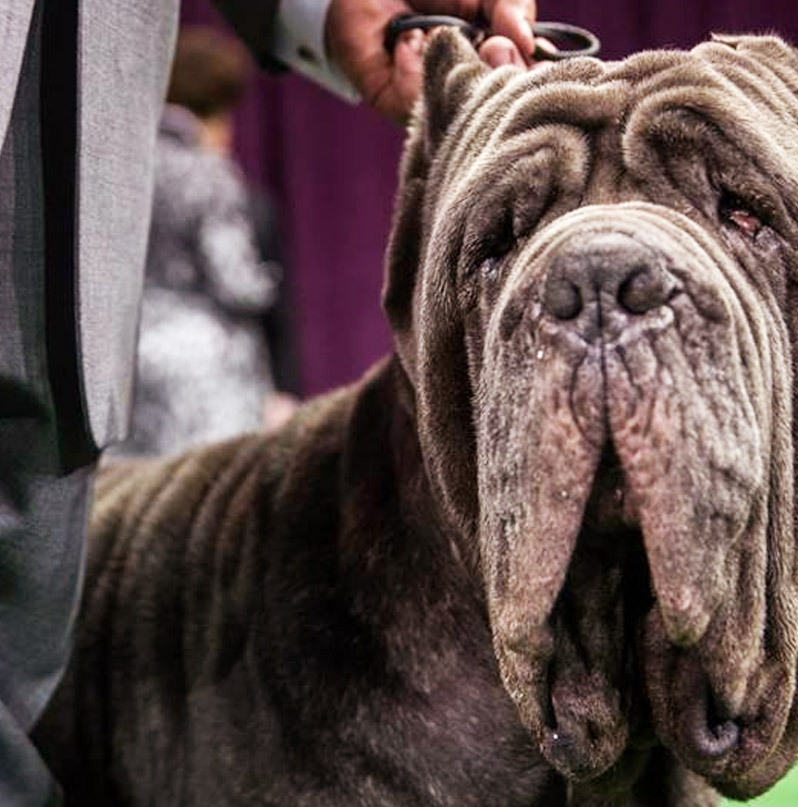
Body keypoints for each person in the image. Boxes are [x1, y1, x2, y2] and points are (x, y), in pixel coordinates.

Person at [0, 0, 537, 803]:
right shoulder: (209, 177)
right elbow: (243, 279)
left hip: (102, 366)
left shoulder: (142, 159)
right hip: (189, 372)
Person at [115, 28, 285, 458]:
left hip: (124, 359)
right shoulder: (208, 173)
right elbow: (237, 284)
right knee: (206, 498)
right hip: (202, 366)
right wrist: (269, 279)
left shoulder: (121, 167)